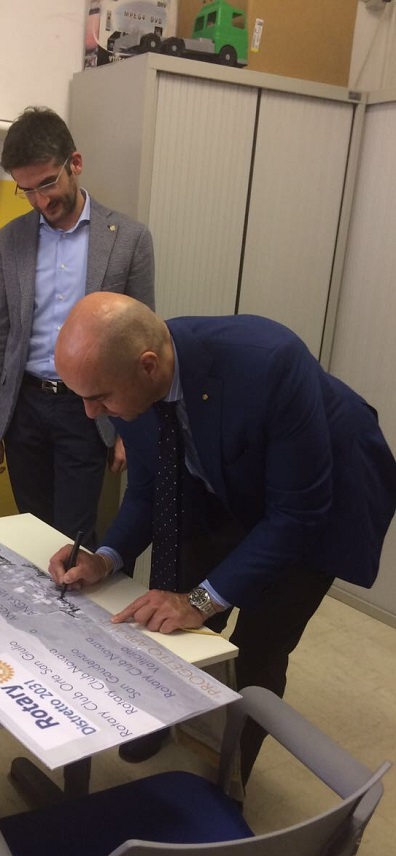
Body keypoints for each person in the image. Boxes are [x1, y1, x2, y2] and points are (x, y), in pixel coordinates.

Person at [49, 292, 396, 781]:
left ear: (148, 366)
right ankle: (165, 715)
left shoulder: (269, 362)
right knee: (166, 605)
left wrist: (202, 600)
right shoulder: (130, 384)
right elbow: (148, 490)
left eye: (99, 397)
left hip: (320, 501)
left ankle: (228, 783)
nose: (90, 413)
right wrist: (104, 559)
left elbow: (297, 515)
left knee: (258, 646)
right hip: (226, 478)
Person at [0, 106, 155, 551]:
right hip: (23, 408)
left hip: (87, 409)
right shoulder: (8, 240)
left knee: (74, 538)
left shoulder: (128, 239)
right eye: (26, 190)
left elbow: (143, 344)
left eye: (47, 183)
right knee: (31, 534)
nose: (40, 201)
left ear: (74, 163)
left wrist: (133, 432)